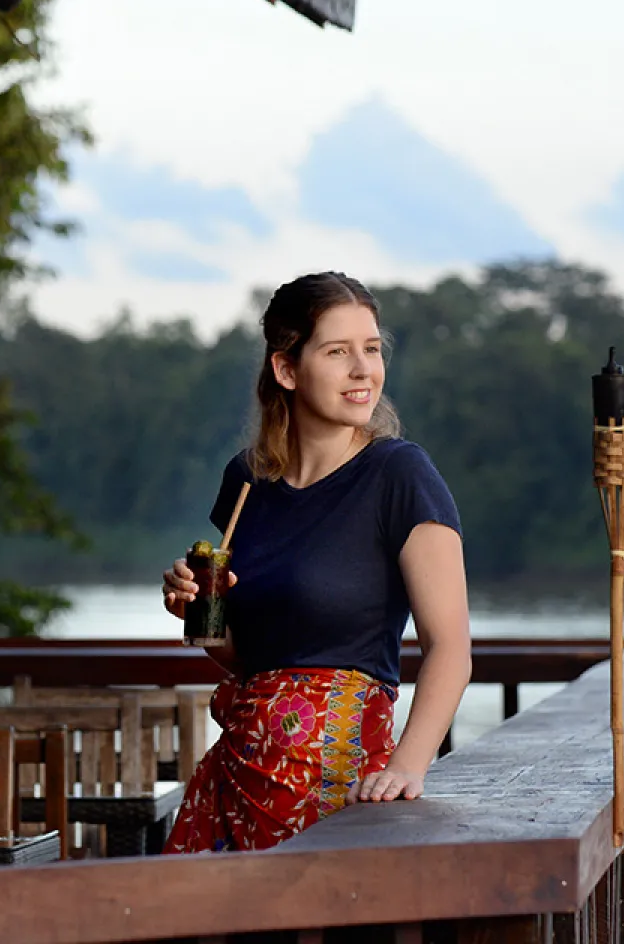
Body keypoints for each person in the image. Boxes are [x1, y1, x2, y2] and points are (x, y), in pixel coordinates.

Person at [159, 271, 471, 853]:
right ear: (286, 368)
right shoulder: (247, 480)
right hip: (239, 778)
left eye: (372, 349)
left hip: (340, 787)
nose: (363, 370)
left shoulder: (400, 474)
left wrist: (407, 768)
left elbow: (450, 648)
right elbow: (254, 660)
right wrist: (197, 612)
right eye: (337, 351)